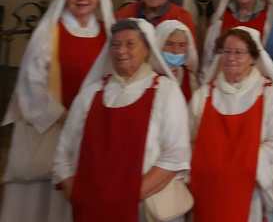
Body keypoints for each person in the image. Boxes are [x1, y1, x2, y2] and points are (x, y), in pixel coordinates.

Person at [1, 0, 115, 222]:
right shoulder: (49, 32)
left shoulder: (109, 36)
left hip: (88, 128)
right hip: (51, 126)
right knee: (40, 198)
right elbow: (31, 82)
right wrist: (61, 115)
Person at [54, 18, 190, 221]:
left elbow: (174, 156)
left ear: (147, 49)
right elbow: (62, 153)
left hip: (142, 208)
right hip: (91, 209)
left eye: (130, 44)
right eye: (115, 45)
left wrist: (126, 197)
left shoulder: (166, 91)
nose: (121, 51)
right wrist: (77, 194)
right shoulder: (91, 93)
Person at [189, 26, 273, 222]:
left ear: (253, 57)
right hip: (207, 192)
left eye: (239, 52)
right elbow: (188, 140)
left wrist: (237, 169)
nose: (231, 57)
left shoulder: (270, 94)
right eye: (226, 51)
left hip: (250, 192)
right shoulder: (203, 96)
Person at [154, 20, 199, 102]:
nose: (175, 51)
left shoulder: (188, 77)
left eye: (182, 45)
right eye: (169, 44)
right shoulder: (148, 75)